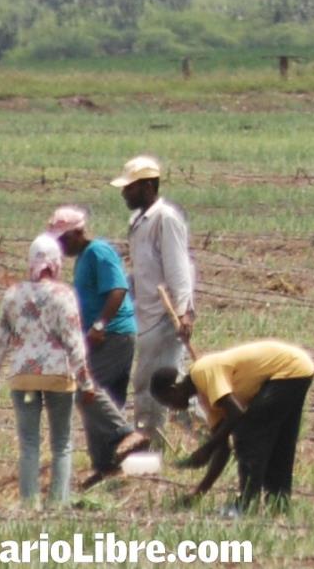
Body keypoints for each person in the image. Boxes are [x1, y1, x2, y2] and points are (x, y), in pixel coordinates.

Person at [0, 234, 94, 507]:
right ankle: (58, 503)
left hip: (23, 377)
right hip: (58, 376)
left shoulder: (12, 294)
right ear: (56, 262)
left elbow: (0, 341)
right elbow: (73, 341)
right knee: (61, 442)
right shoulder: (63, 295)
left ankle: (28, 503)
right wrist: (85, 382)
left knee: (29, 443)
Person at [46, 206, 150, 487]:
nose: (60, 246)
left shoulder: (98, 252)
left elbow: (118, 290)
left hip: (113, 334)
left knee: (83, 391)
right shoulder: (83, 258)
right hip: (97, 337)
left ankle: (126, 433)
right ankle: (106, 466)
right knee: (105, 399)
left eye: (64, 240)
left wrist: (100, 325)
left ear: (79, 233)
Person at [150, 340, 314, 512]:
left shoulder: (202, 371)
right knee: (280, 442)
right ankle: (278, 504)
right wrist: (198, 493)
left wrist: (207, 448)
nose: (171, 408)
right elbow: (223, 449)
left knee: (247, 434)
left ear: (173, 389)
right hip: (297, 371)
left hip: (288, 369)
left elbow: (237, 412)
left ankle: (246, 505)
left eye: (167, 401)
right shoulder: (206, 398)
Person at [112, 155, 195, 440]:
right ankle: (212, 435)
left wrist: (184, 311)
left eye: (130, 187)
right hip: (144, 314)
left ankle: (147, 444)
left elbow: (178, 267)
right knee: (170, 385)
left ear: (148, 186)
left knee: (149, 384)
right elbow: (142, 270)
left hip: (164, 316)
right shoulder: (137, 221)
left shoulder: (165, 219)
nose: (124, 192)